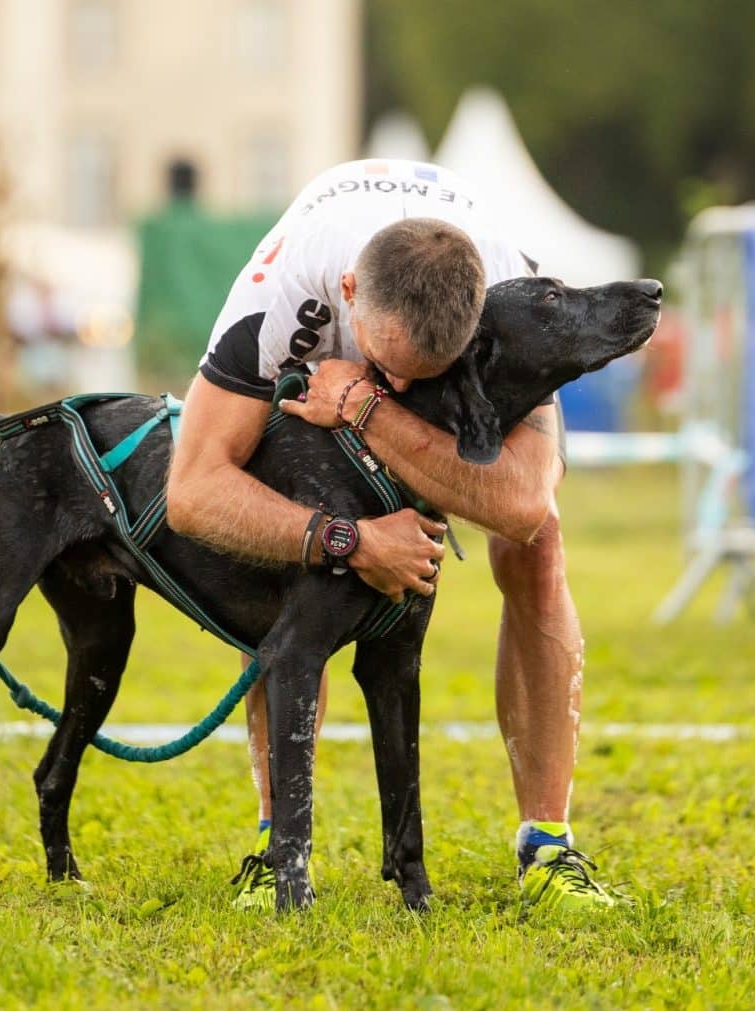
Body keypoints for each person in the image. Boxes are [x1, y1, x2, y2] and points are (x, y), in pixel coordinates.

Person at [166, 159, 615, 913]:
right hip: (320, 294)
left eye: (422, 377)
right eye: (386, 366)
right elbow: (194, 491)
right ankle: (277, 843)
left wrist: (365, 403)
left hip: (429, 320)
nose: (402, 385)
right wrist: (348, 538)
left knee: (538, 549)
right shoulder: (283, 289)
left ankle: (547, 845)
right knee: (272, 526)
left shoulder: (506, 289)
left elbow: (522, 503)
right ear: (348, 298)